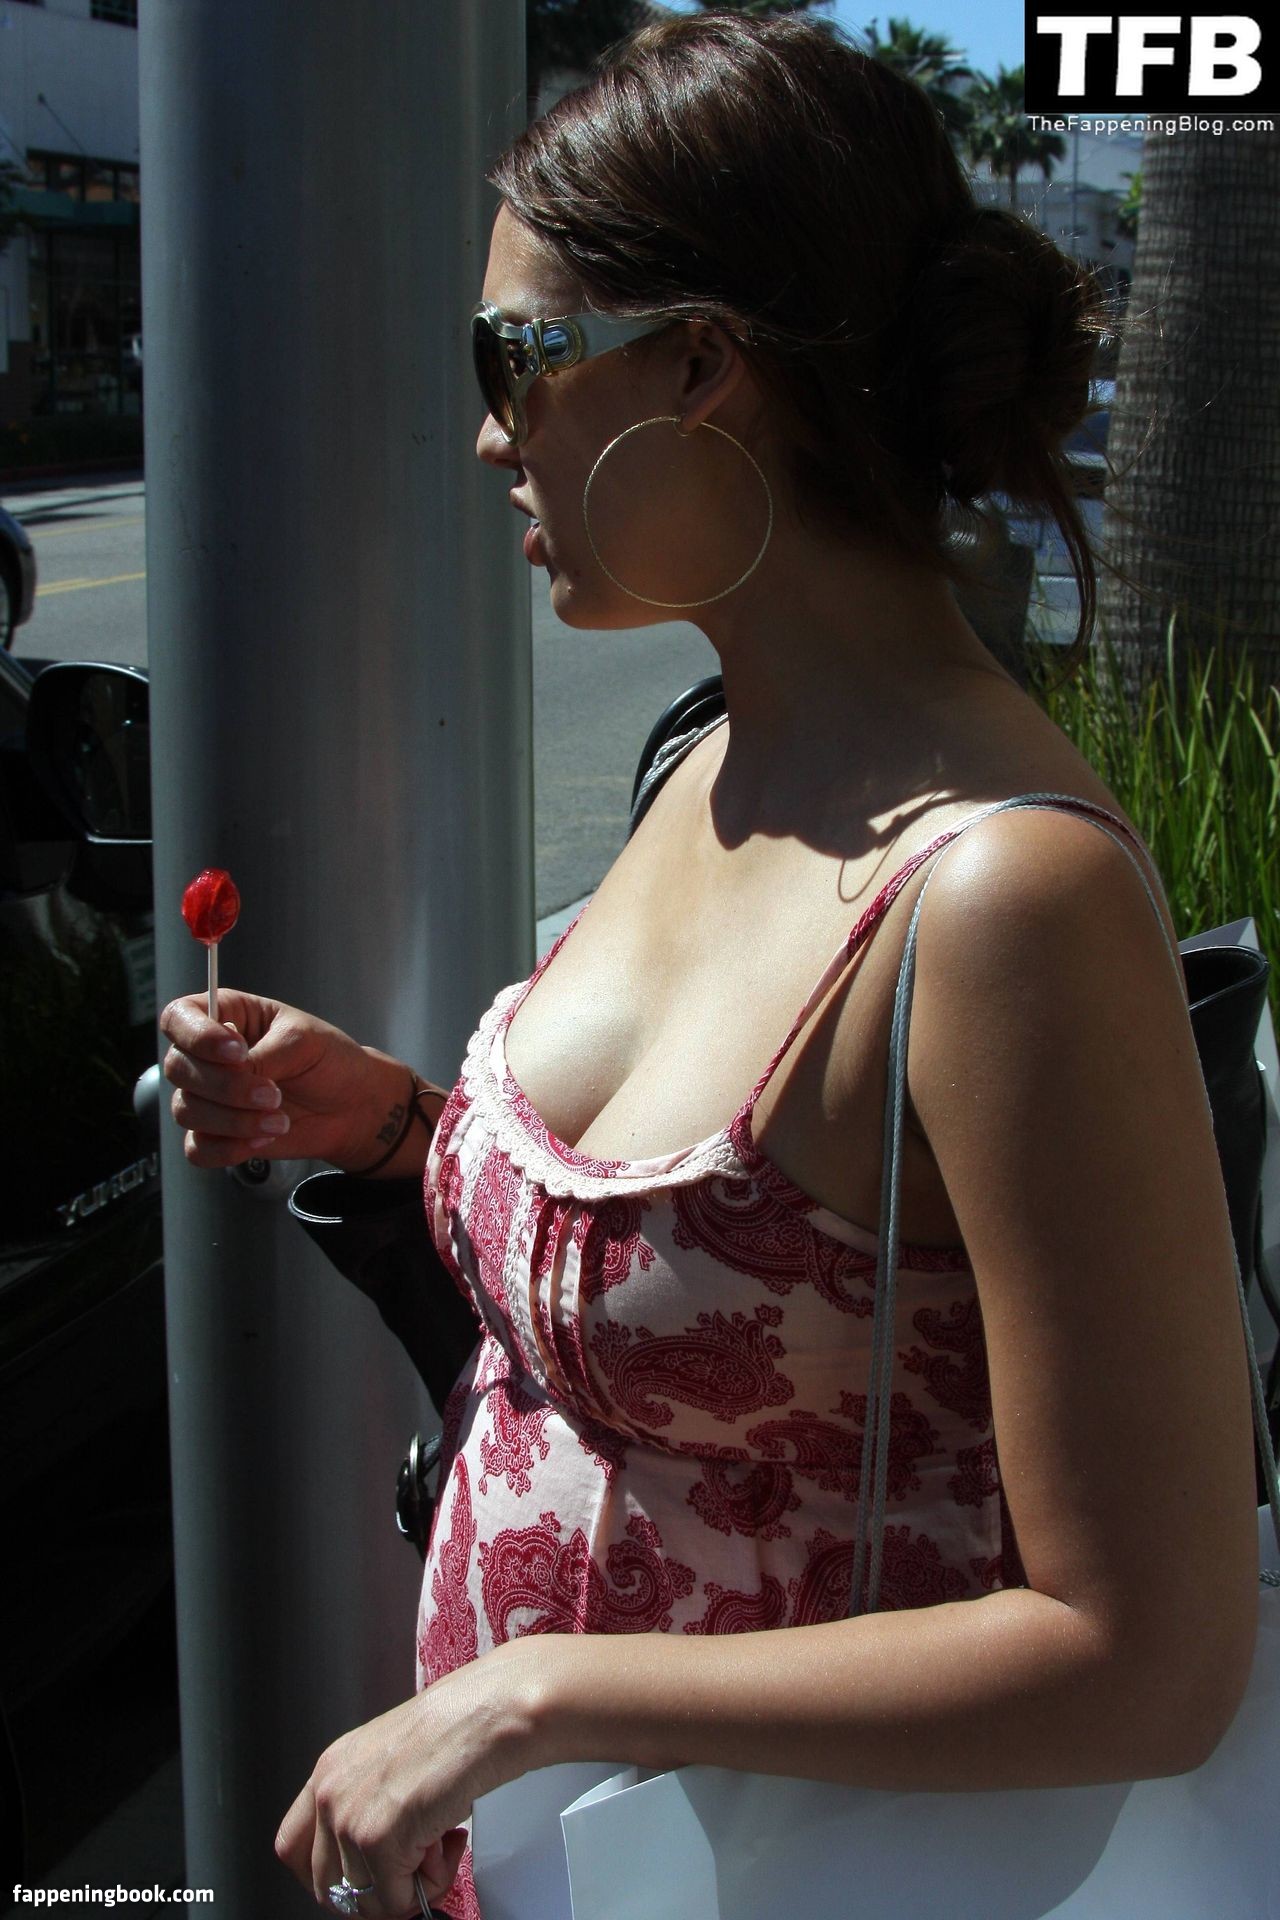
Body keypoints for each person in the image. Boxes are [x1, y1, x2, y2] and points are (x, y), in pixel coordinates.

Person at [159, 16, 1258, 1919]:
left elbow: (1148, 1657)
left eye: (517, 359)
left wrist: (537, 1694)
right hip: (562, 1860)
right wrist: (401, 1126)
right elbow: (738, 1251)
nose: (491, 434)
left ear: (701, 365)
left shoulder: (1001, 903)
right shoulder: (718, 755)